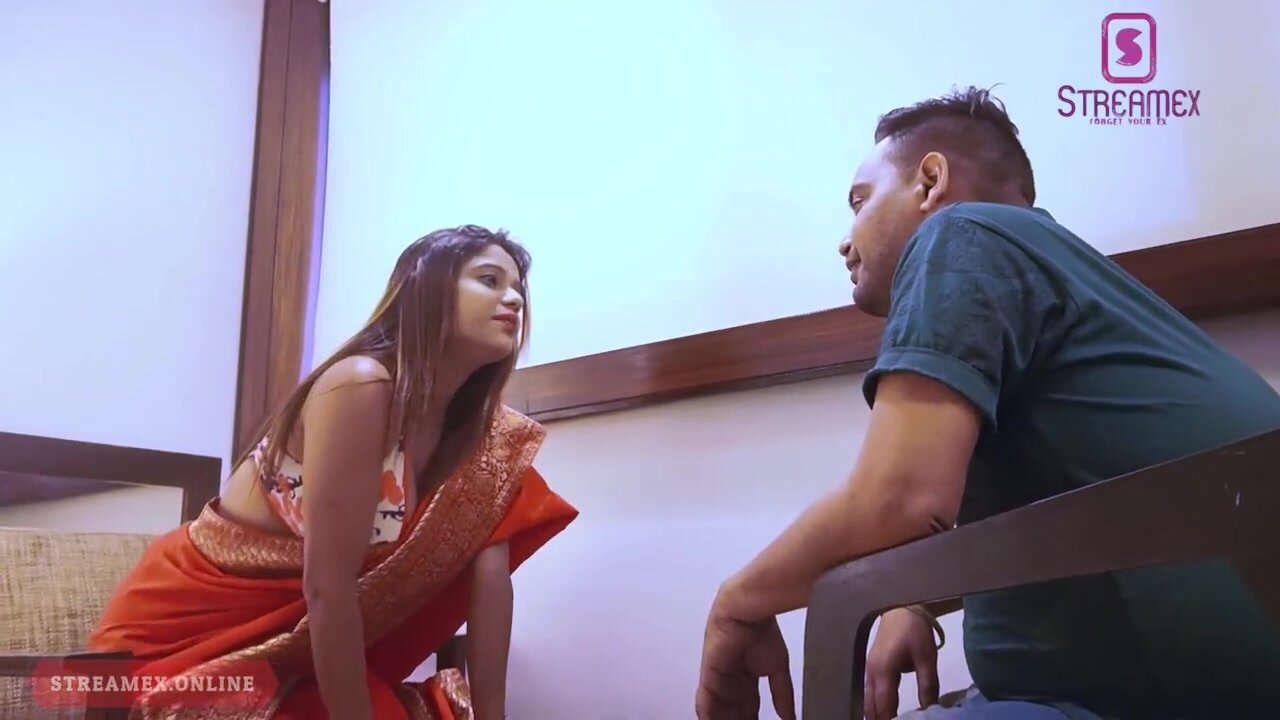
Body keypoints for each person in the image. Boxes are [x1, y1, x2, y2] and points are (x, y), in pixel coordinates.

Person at [694, 86, 1280, 719]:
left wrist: (736, 602)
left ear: (930, 181)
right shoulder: (1072, 285)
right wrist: (915, 597)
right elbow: (1092, 518)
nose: (845, 240)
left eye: (860, 202)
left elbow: (901, 500)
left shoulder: (959, 234)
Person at [89, 225, 580, 719]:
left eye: (518, 288)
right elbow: (327, 589)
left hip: (297, 655)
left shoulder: (484, 436)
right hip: (177, 646)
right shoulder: (360, 386)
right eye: (489, 280)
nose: (514, 299)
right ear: (425, 288)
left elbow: (490, 586)